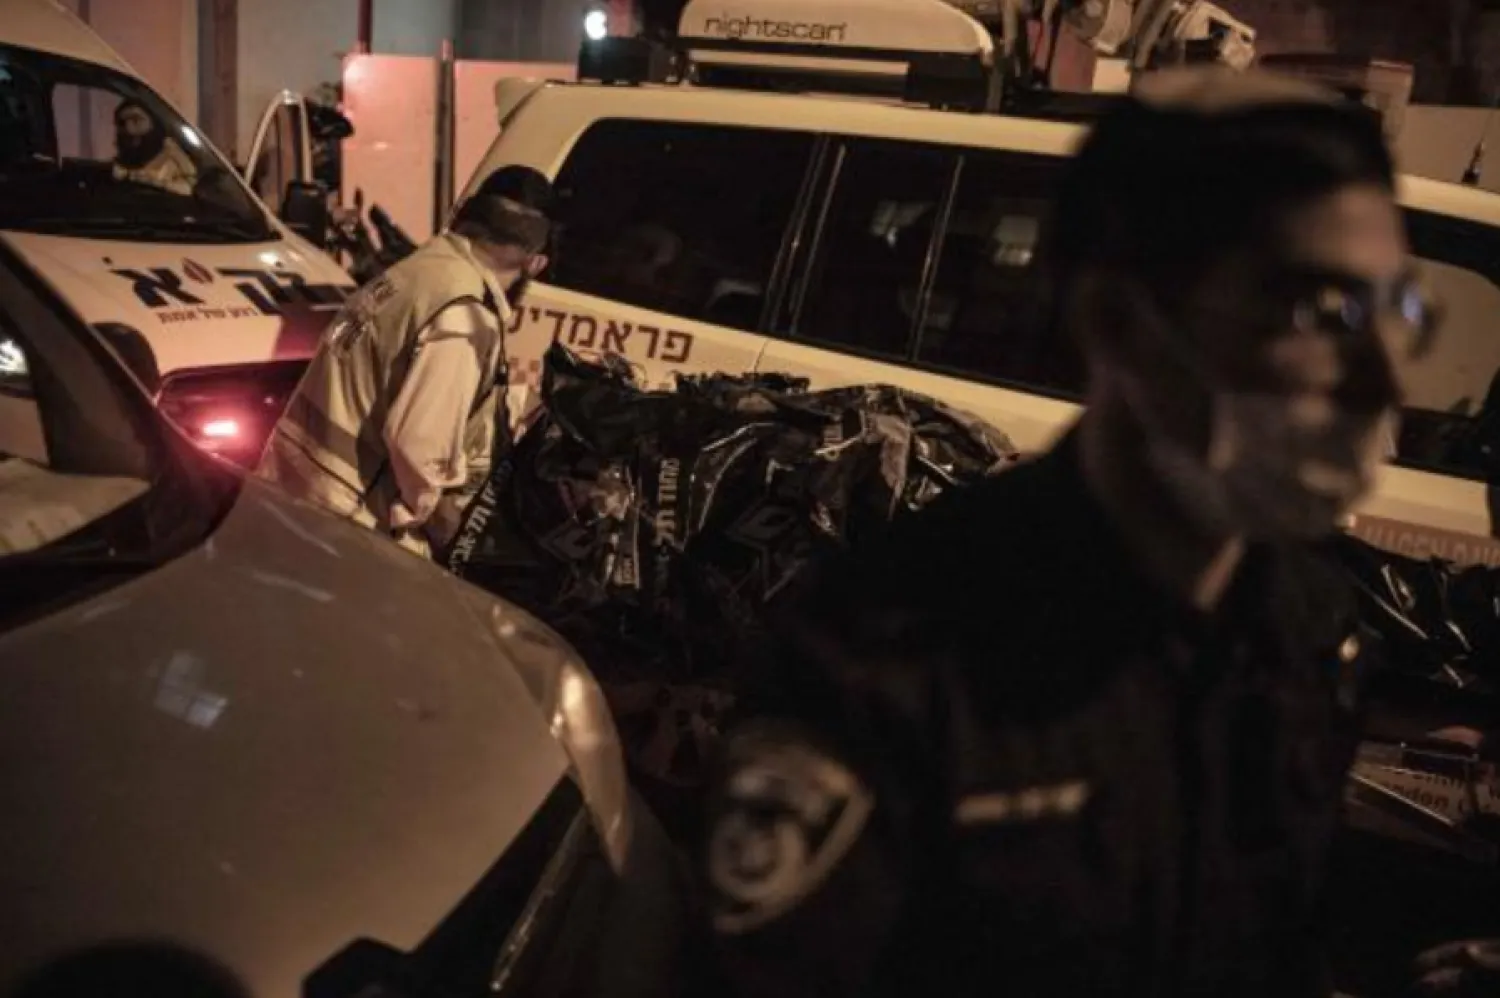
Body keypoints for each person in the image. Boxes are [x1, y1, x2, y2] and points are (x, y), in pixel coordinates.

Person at [699, 67, 1439, 998]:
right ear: (1118, 325)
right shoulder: (878, 667)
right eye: (1320, 314)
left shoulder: (1310, 622)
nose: (1384, 379)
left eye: (1402, 312)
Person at [257, 166, 553, 558]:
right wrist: (456, 539)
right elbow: (420, 448)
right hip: (349, 522)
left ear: (461, 216)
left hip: (294, 486)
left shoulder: (418, 272)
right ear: (535, 264)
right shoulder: (466, 314)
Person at [112, 99, 197, 196]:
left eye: (136, 120)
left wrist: (157, 184)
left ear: (153, 121)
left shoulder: (172, 153)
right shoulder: (123, 160)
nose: (128, 128)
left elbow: (189, 187)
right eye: (122, 123)